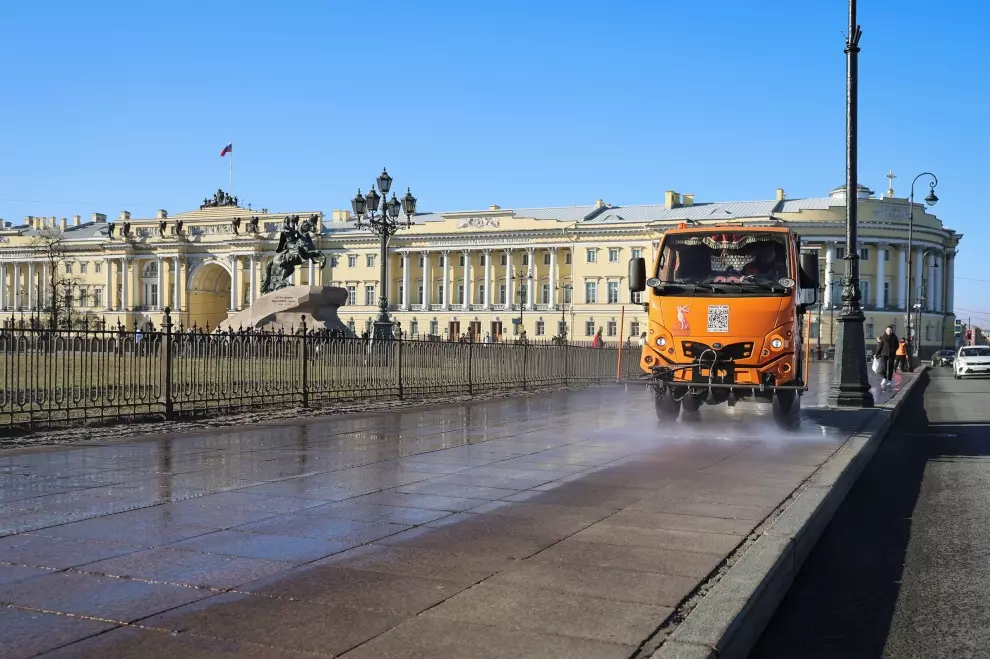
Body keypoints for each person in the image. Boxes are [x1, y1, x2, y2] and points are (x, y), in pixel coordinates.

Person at [875, 325, 899, 390]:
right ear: (886, 331)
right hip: (884, 354)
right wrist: (877, 354)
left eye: (890, 330)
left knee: (890, 368)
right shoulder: (883, 337)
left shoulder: (895, 337)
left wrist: (894, 350)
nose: (889, 331)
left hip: (891, 354)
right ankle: (884, 378)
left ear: (892, 331)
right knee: (883, 367)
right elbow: (880, 346)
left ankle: (890, 380)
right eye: (888, 330)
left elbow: (897, 345)